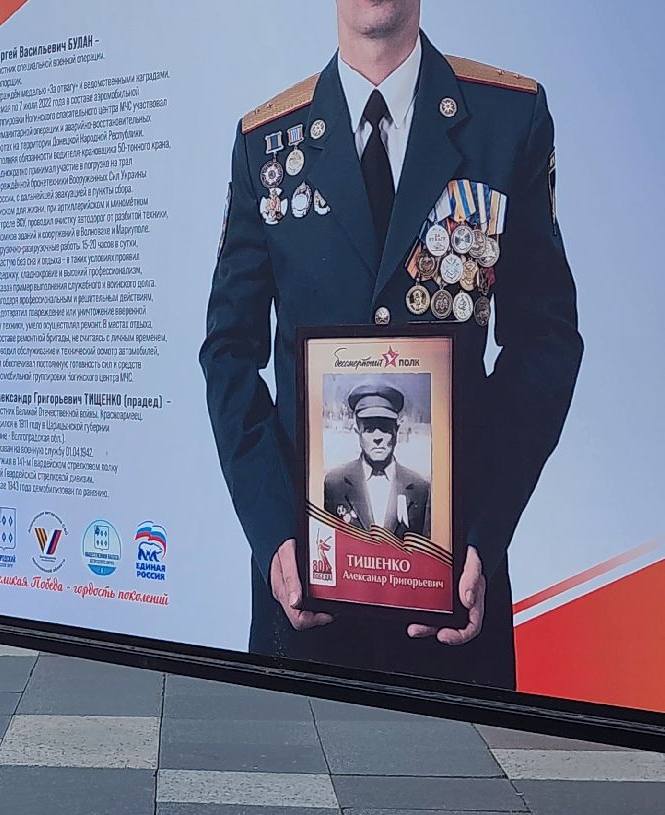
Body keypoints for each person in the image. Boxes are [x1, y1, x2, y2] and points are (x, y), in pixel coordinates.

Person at [199, 0, 582, 688]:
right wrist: (273, 535)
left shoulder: (506, 120)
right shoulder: (266, 143)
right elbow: (229, 351)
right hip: (305, 587)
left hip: (456, 588)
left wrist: (484, 531)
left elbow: (544, 340)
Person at [322, 382, 430, 536]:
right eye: (369, 429)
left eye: (385, 428)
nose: (377, 437)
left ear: (396, 430)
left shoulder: (420, 489)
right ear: (357, 432)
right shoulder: (334, 484)